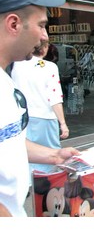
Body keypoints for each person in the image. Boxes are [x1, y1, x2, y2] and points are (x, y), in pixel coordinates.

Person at [0, 0, 79, 217]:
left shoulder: (6, 79)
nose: (45, 36)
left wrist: (55, 155)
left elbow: (8, 143)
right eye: (42, 25)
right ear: (13, 24)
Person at [11, 40, 69, 175]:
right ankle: (46, 187)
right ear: (44, 48)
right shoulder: (49, 67)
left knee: (28, 155)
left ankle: (30, 184)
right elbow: (54, 97)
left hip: (23, 117)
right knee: (50, 155)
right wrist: (63, 123)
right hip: (45, 117)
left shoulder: (15, 65)